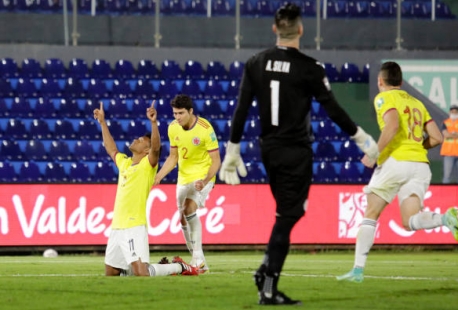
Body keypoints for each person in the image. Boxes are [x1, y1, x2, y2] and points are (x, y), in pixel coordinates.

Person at [219, 3, 379, 305]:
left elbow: (241, 108)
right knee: (289, 214)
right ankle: (267, 284)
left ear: (275, 29)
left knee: (287, 212)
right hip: (296, 151)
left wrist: (233, 148)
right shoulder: (310, 68)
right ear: (301, 30)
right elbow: (331, 108)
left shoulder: (255, 62)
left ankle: (266, 270)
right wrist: (361, 137)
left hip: (268, 149)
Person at [336, 61, 458, 284]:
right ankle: (445, 218)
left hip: (395, 162)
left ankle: (357, 271)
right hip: (420, 166)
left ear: (380, 81)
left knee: (371, 212)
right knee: (409, 221)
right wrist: (416, 149)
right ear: (401, 82)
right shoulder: (417, 103)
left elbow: (392, 125)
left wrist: (375, 152)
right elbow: (437, 137)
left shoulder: (384, 97)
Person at [94, 100, 198, 277]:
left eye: (142, 140)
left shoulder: (147, 166)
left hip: (134, 225)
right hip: (117, 226)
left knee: (142, 274)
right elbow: (111, 148)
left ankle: (179, 267)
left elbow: (156, 149)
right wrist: (103, 123)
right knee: (111, 273)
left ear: (146, 150)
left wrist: (153, 123)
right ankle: (156, 267)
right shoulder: (125, 163)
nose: (137, 139)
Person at [154, 94, 221, 273]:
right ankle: (198, 261)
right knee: (182, 216)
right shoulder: (173, 128)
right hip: (183, 178)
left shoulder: (205, 129)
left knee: (189, 208)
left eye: (181, 113)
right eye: (175, 113)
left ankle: (197, 257)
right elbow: (173, 157)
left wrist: (206, 180)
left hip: (202, 177)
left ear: (190, 111)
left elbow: (216, 161)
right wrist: (159, 176)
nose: (177, 117)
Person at [440, 105, 458, 184]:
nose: (454, 113)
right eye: (452, 112)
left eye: (456, 112)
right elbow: (446, 134)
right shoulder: (445, 123)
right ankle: (445, 194)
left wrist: (453, 134)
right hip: (449, 153)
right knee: (447, 177)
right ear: (449, 112)